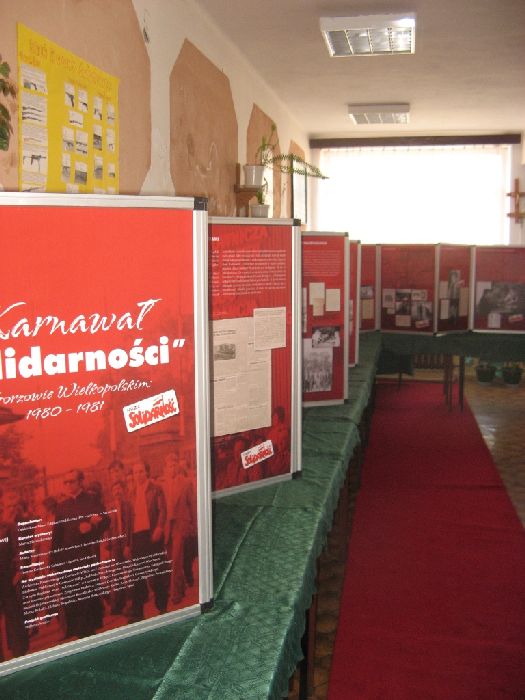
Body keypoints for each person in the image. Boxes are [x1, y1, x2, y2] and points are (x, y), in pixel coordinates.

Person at [51, 469, 110, 639]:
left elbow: (106, 520)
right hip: (67, 561)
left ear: (80, 482)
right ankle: (80, 634)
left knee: (86, 600)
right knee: (72, 601)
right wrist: (54, 562)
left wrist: (92, 526)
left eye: (72, 481)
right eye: (66, 482)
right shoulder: (62, 506)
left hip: (86, 556)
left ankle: (88, 634)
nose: (69, 485)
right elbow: (57, 536)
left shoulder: (91, 500)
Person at [129, 460, 170, 622]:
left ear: (146, 472)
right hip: (137, 538)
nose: (138, 475)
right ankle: (138, 613)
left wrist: (159, 527)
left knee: (157, 573)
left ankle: (162, 607)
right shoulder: (131, 493)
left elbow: (162, 510)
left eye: (141, 471)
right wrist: (128, 542)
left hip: (152, 535)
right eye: (135, 472)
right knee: (137, 575)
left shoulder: (156, 489)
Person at [161, 453, 197, 604]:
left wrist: (195, 525)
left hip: (181, 524)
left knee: (176, 559)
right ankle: (181, 588)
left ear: (178, 466)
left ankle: (175, 594)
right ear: (166, 468)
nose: (173, 467)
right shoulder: (162, 485)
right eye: (170, 465)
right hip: (168, 526)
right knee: (172, 560)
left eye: (175, 464)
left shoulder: (186, 483)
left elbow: (193, 505)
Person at [0, 495, 29, 660]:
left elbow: (18, 551)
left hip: (8, 579)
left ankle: (20, 651)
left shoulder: (9, 527)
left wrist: (19, 571)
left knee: (14, 617)